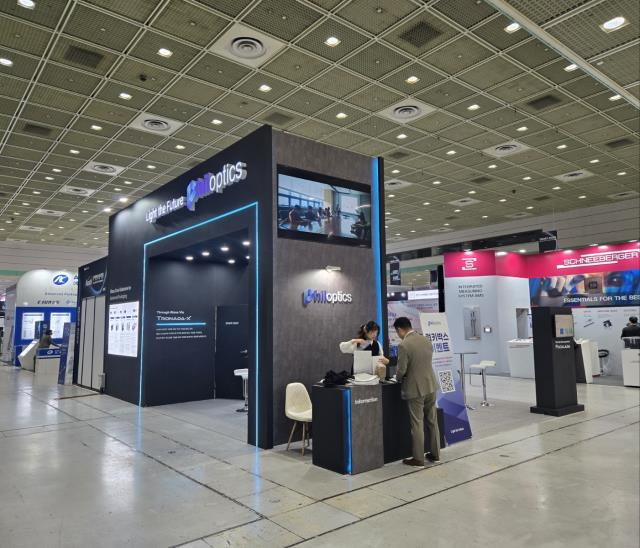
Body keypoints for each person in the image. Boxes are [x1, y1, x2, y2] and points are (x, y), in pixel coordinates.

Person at [393, 316, 440, 467]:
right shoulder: (426, 340)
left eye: (397, 332)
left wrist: (397, 378)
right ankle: (435, 454)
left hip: (415, 388)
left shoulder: (404, 345)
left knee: (417, 423)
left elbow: (401, 370)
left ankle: (418, 458)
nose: (398, 335)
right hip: (431, 385)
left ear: (400, 329)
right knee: (432, 421)